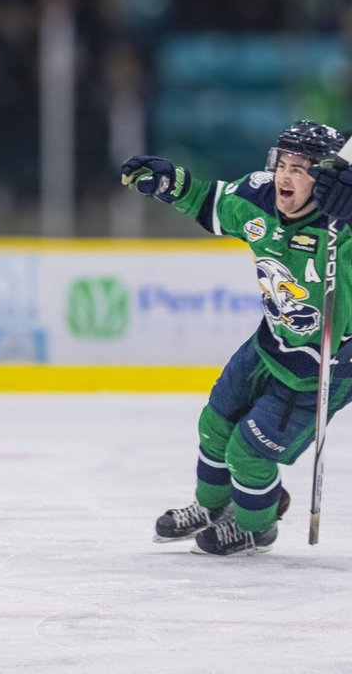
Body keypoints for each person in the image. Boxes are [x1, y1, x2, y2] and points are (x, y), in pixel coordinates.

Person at [120, 120, 352, 556]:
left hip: (327, 363)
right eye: (282, 163)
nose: (285, 176)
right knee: (216, 423)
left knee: (249, 453)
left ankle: (254, 526)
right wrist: (169, 183)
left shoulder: (342, 226)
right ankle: (212, 506)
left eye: (301, 169)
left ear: (325, 177)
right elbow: (211, 200)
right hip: (270, 344)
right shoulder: (259, 196)